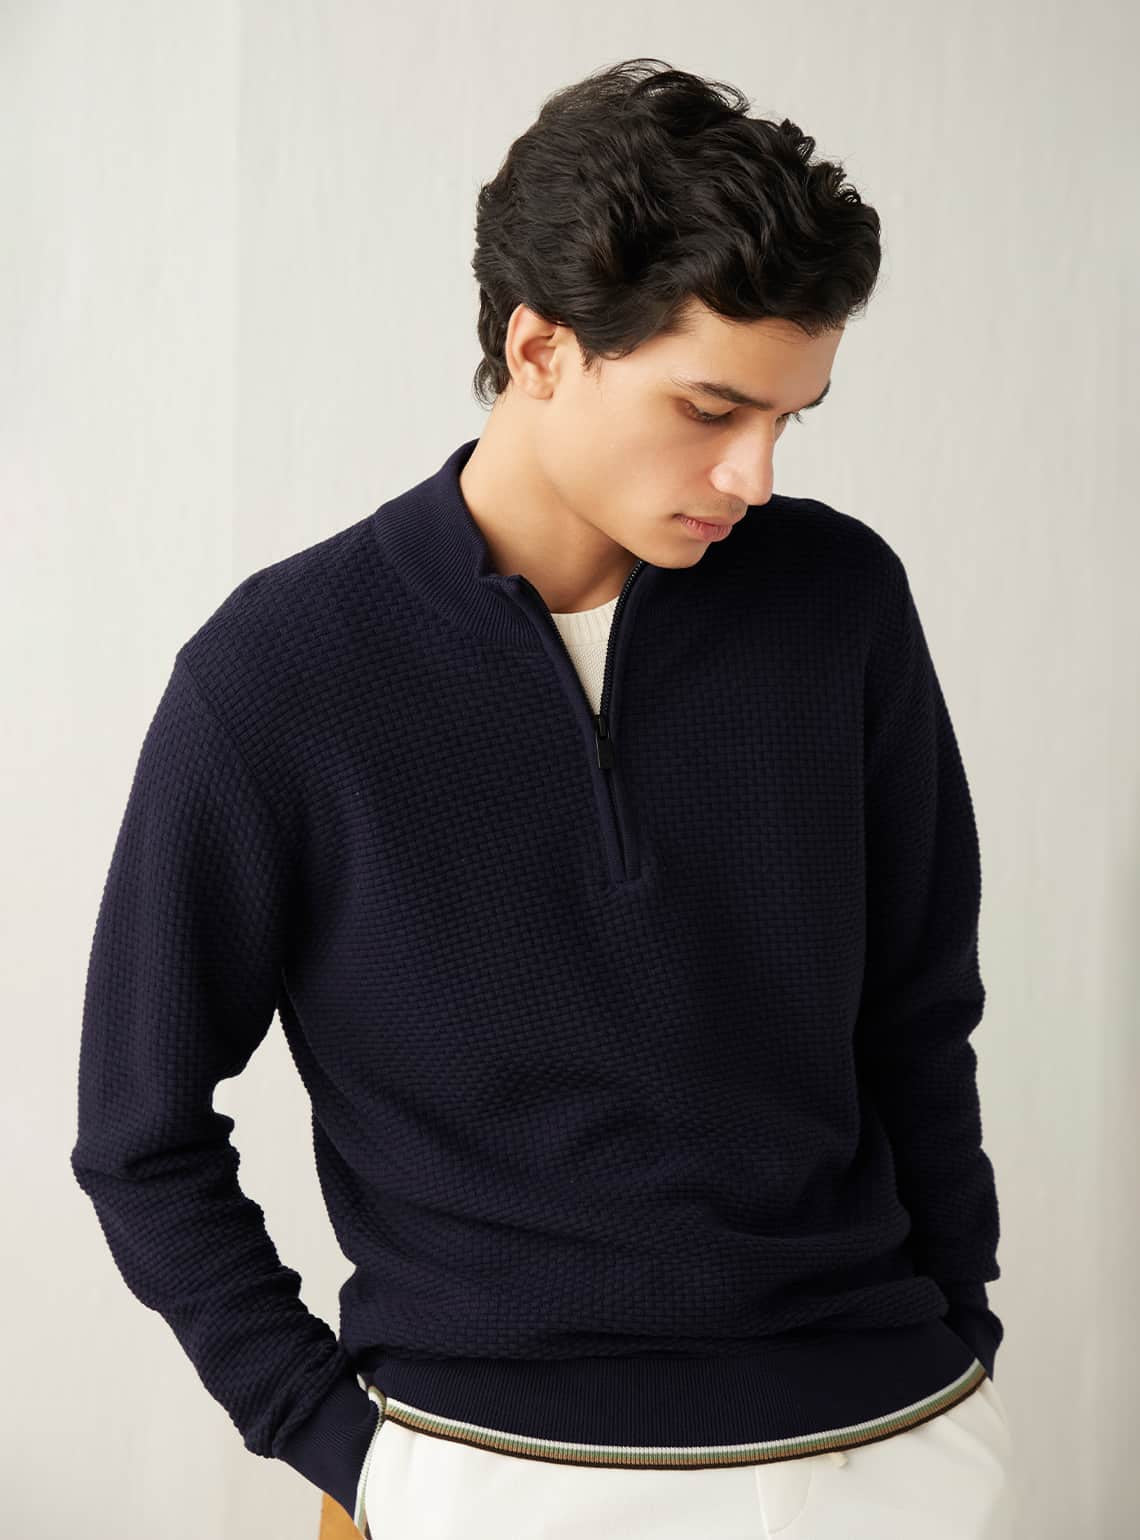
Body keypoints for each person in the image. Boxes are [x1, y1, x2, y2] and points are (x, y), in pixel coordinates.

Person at [71, 56, 1015, 1538]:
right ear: (541, 347)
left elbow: (919, 1006)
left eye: (791, 418)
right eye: (710, 407)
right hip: (482, 1464)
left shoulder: (839, 603)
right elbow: (140, 1130)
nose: (755, 474)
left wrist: (963, 1337)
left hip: (881, 1444)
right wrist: (344, 1445)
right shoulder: (283, 675)